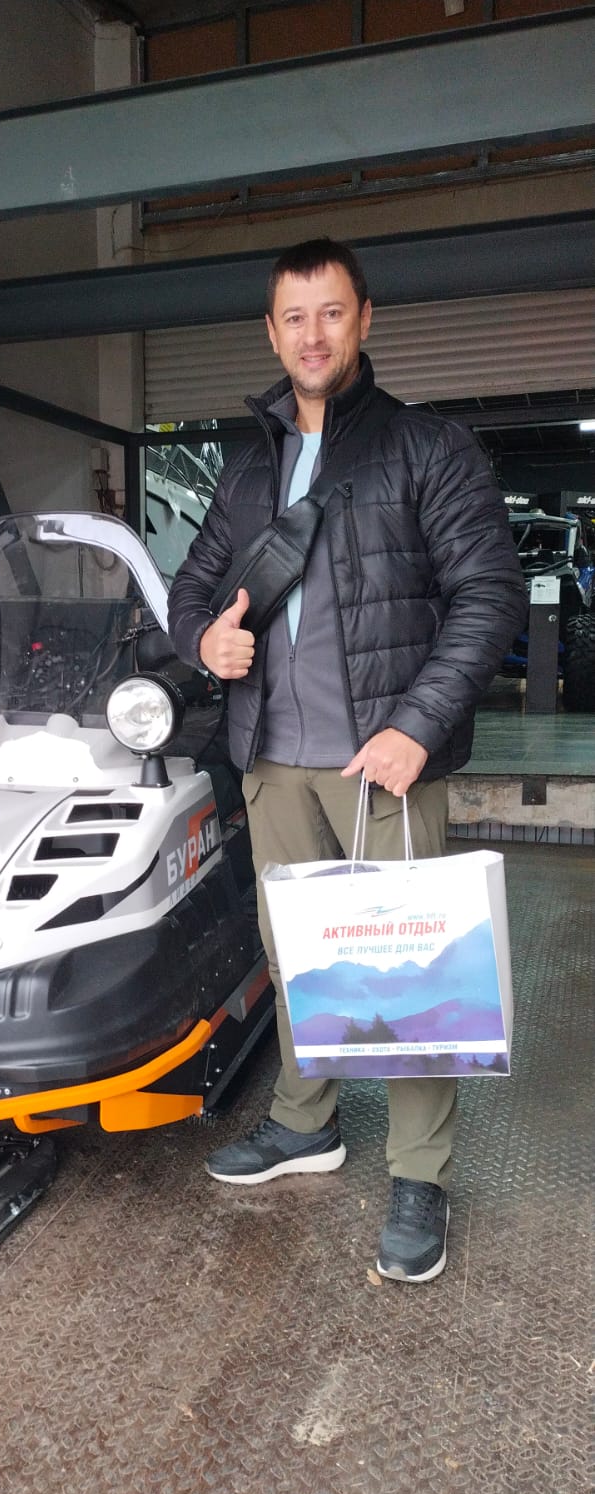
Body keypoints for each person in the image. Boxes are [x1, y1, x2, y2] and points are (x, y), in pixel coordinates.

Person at [167, 237, 526, 1284]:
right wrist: (203, 643)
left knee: (412, 974)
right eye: (294, 317)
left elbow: (487, 594)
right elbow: (189, 592)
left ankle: (418, 1172)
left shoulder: (425, 447)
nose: (312, 334)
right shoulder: (247, 470)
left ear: (363, 320)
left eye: (330, 313)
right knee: (297, 960)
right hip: (272, 759)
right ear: (270, 333)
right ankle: (304, 1120)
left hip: (383, 764)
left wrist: (416, 724)